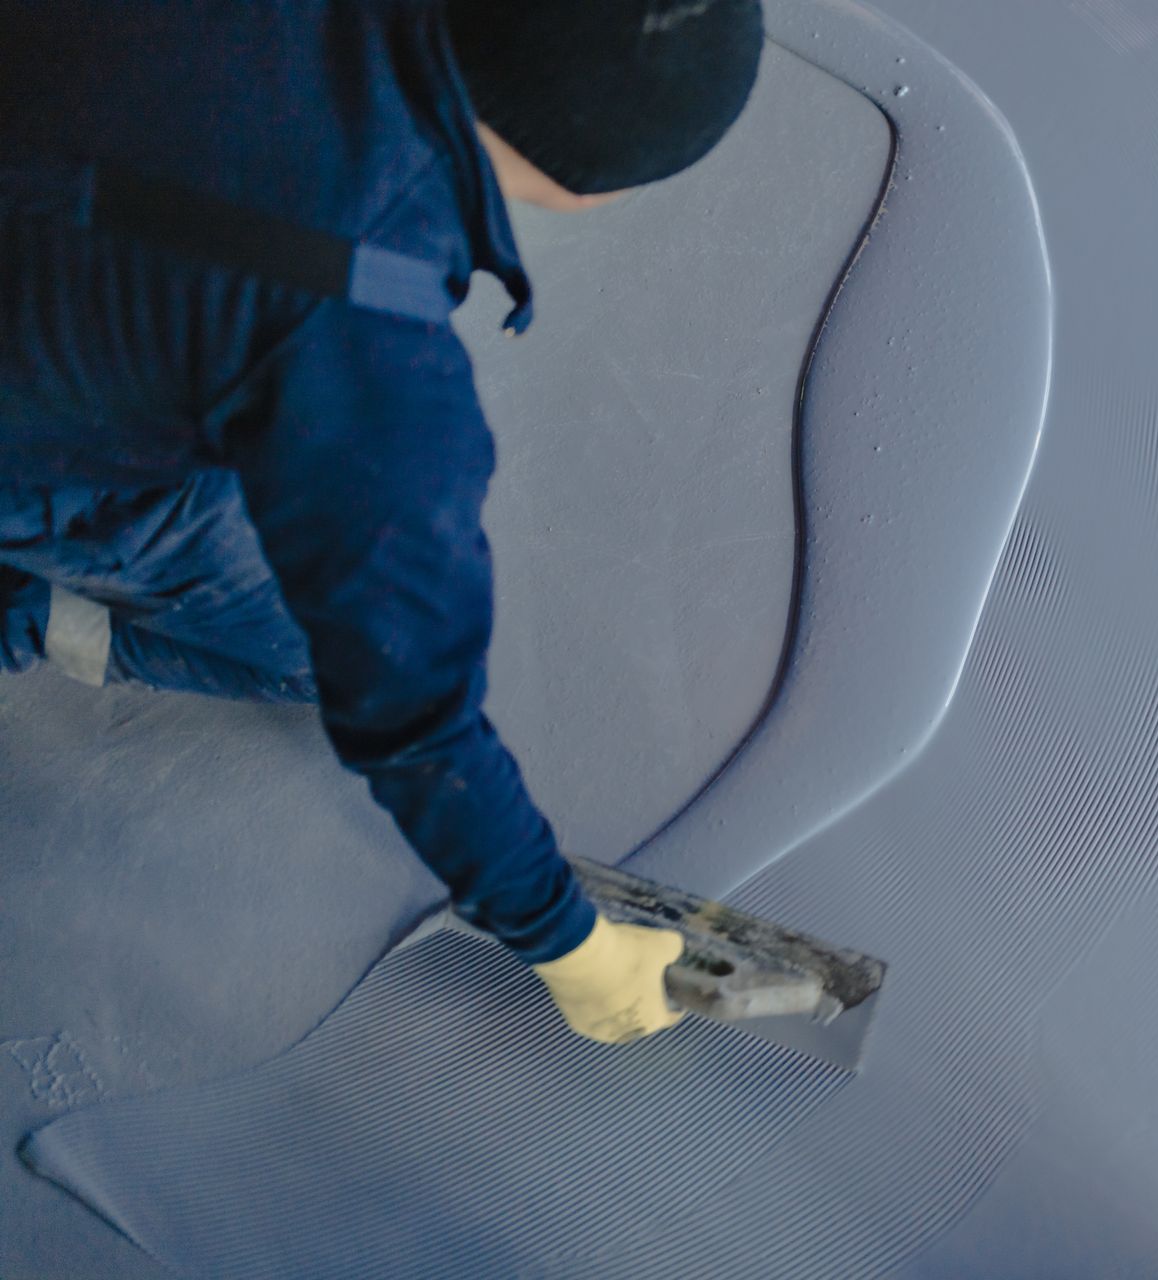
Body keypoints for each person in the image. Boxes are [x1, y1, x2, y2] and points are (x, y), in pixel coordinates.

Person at [0, 0, 765, 1043]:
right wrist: (569, 943)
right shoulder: (364, 339)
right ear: (595, 189)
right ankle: (21, 609)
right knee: (310, 652)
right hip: (42, 445)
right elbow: (412, 715)